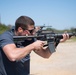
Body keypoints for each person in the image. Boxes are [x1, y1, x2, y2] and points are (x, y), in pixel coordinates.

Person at [0, 16, 69, 75]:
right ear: (20, 29)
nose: (33, 33)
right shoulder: (6, 37)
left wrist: (55, 42)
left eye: (33, 30)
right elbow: (12, 56)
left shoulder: (29, 38)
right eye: (30, 31)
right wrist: (32, 46)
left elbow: (45, 55)